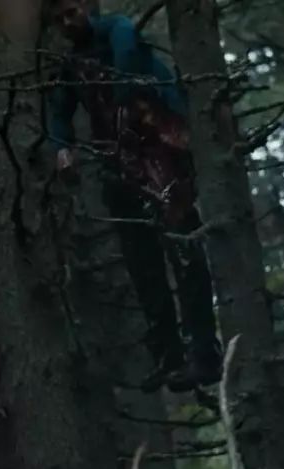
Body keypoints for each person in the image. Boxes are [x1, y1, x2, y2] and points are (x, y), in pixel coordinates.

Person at [46, 0, 223, 392]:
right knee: (142, 262)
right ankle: (168, 356)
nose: (67, 23)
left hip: (159, 154)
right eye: (58, 20)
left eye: (71, 12)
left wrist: (124, 100)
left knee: (183, 248)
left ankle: (204, 354)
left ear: (85, 8)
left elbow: (127, 58)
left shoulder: (117, 30)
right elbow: (58, 110)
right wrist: (62, 148)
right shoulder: (70, 65)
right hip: (119, 166)